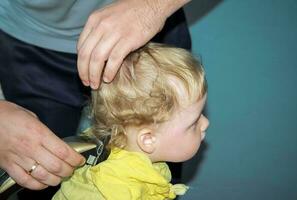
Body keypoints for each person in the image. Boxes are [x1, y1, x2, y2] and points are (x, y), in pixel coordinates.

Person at [0, 0, 192, 197]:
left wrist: (153, 6)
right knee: (39, 174)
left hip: (145, 33)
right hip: (29, 43)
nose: (206, 123)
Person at [52, 43, 209, 200]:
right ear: (148, 139)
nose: (206, 123)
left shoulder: (135, 163)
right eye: (194, 123)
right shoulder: (116, 190)